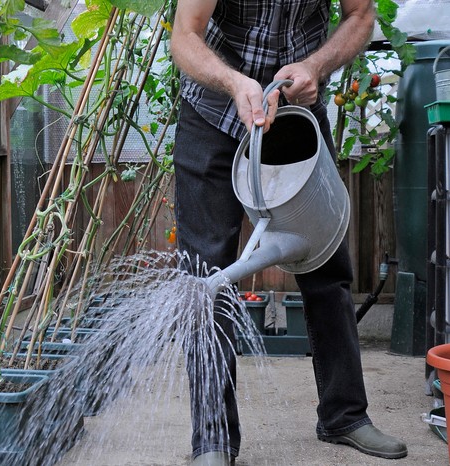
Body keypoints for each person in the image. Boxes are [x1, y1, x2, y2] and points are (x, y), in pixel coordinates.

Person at [169, 0, 408, 464]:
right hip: (213, 111)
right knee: (207, 274)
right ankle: (213, 441)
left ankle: (345, 416)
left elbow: (360, 15)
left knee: (327, 265)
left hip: (297, 106)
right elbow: (185, 34)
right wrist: (235, 82)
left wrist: (315, 66)